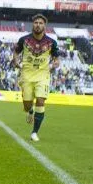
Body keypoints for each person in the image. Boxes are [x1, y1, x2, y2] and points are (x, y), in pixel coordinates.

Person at [12, 14, 59, 142]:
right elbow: (16, 52)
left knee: (40, 101)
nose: (38, 25)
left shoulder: (52, 42)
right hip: (26, 75)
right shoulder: (24, 40)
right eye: (36, 22)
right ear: (33, 24)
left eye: (41, 23)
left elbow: (56, 58)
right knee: (27, 105)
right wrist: (15, 60)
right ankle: (30, 111)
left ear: (45, 25)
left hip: (43, 75)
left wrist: (55, 63)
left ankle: (34, 132)